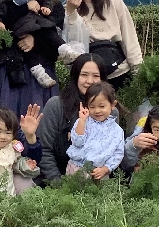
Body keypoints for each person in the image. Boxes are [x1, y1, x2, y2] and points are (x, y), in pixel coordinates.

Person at [0, 0, 75, 112]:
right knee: (9, 120)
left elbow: (53, 33)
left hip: (44, 68)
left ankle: (65, 50)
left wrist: (35, 40)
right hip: (13, 69)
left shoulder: (51, 4)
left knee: (39, 120)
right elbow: (0, 32)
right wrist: (23, 8)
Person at [62, 0, 143, 89]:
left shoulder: (113, 1)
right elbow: (71, 45)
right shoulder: (67, 8)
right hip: (88, 79)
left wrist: (138, 72)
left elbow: (129, 38)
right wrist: (71, 12)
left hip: (118, 72)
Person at [37, 54, 113, 182]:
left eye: (96, 76)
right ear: (76, 76)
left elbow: (114, 152)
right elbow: (44, 149)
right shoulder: (56, 105)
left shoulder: (111, 113)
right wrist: (58, 184)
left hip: (97, 182)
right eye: (84, 75)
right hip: (58, 181)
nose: (89, 81)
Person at [66, 81, 125, 180]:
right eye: (92, 106)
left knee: (97, 194)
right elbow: (76, 141)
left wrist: (106, 168)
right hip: (76, 168)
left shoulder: (117, 131)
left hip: (100, 172)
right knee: (72, 193)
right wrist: (82, 121)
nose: (97, 111)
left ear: (112, 104)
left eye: (102, 106)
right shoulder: (83, 121)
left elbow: (118, 153)